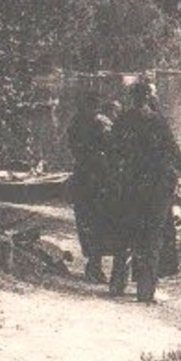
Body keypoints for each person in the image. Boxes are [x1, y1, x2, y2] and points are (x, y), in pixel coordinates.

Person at [106, 75, 181, 304]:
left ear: (132, 98)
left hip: (129, 186)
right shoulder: (157, 121)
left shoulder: (122, 121)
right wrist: (176, 174)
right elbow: (175, 155)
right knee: (152, 238)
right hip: (154, 188)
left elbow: (113, 152)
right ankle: (145, 290)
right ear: (149, 97)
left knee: (125, 234)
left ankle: (116, 284)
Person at [64, 89, 113, 283]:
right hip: (97, 179)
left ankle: (93, 264)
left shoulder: (76, 122)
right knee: (97, 221)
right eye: (93, 104)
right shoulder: (100, 123)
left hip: (84, 178)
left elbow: (75, 149)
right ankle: (94, 264)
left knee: (87, 221)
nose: (94, 108)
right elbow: (112, 146)